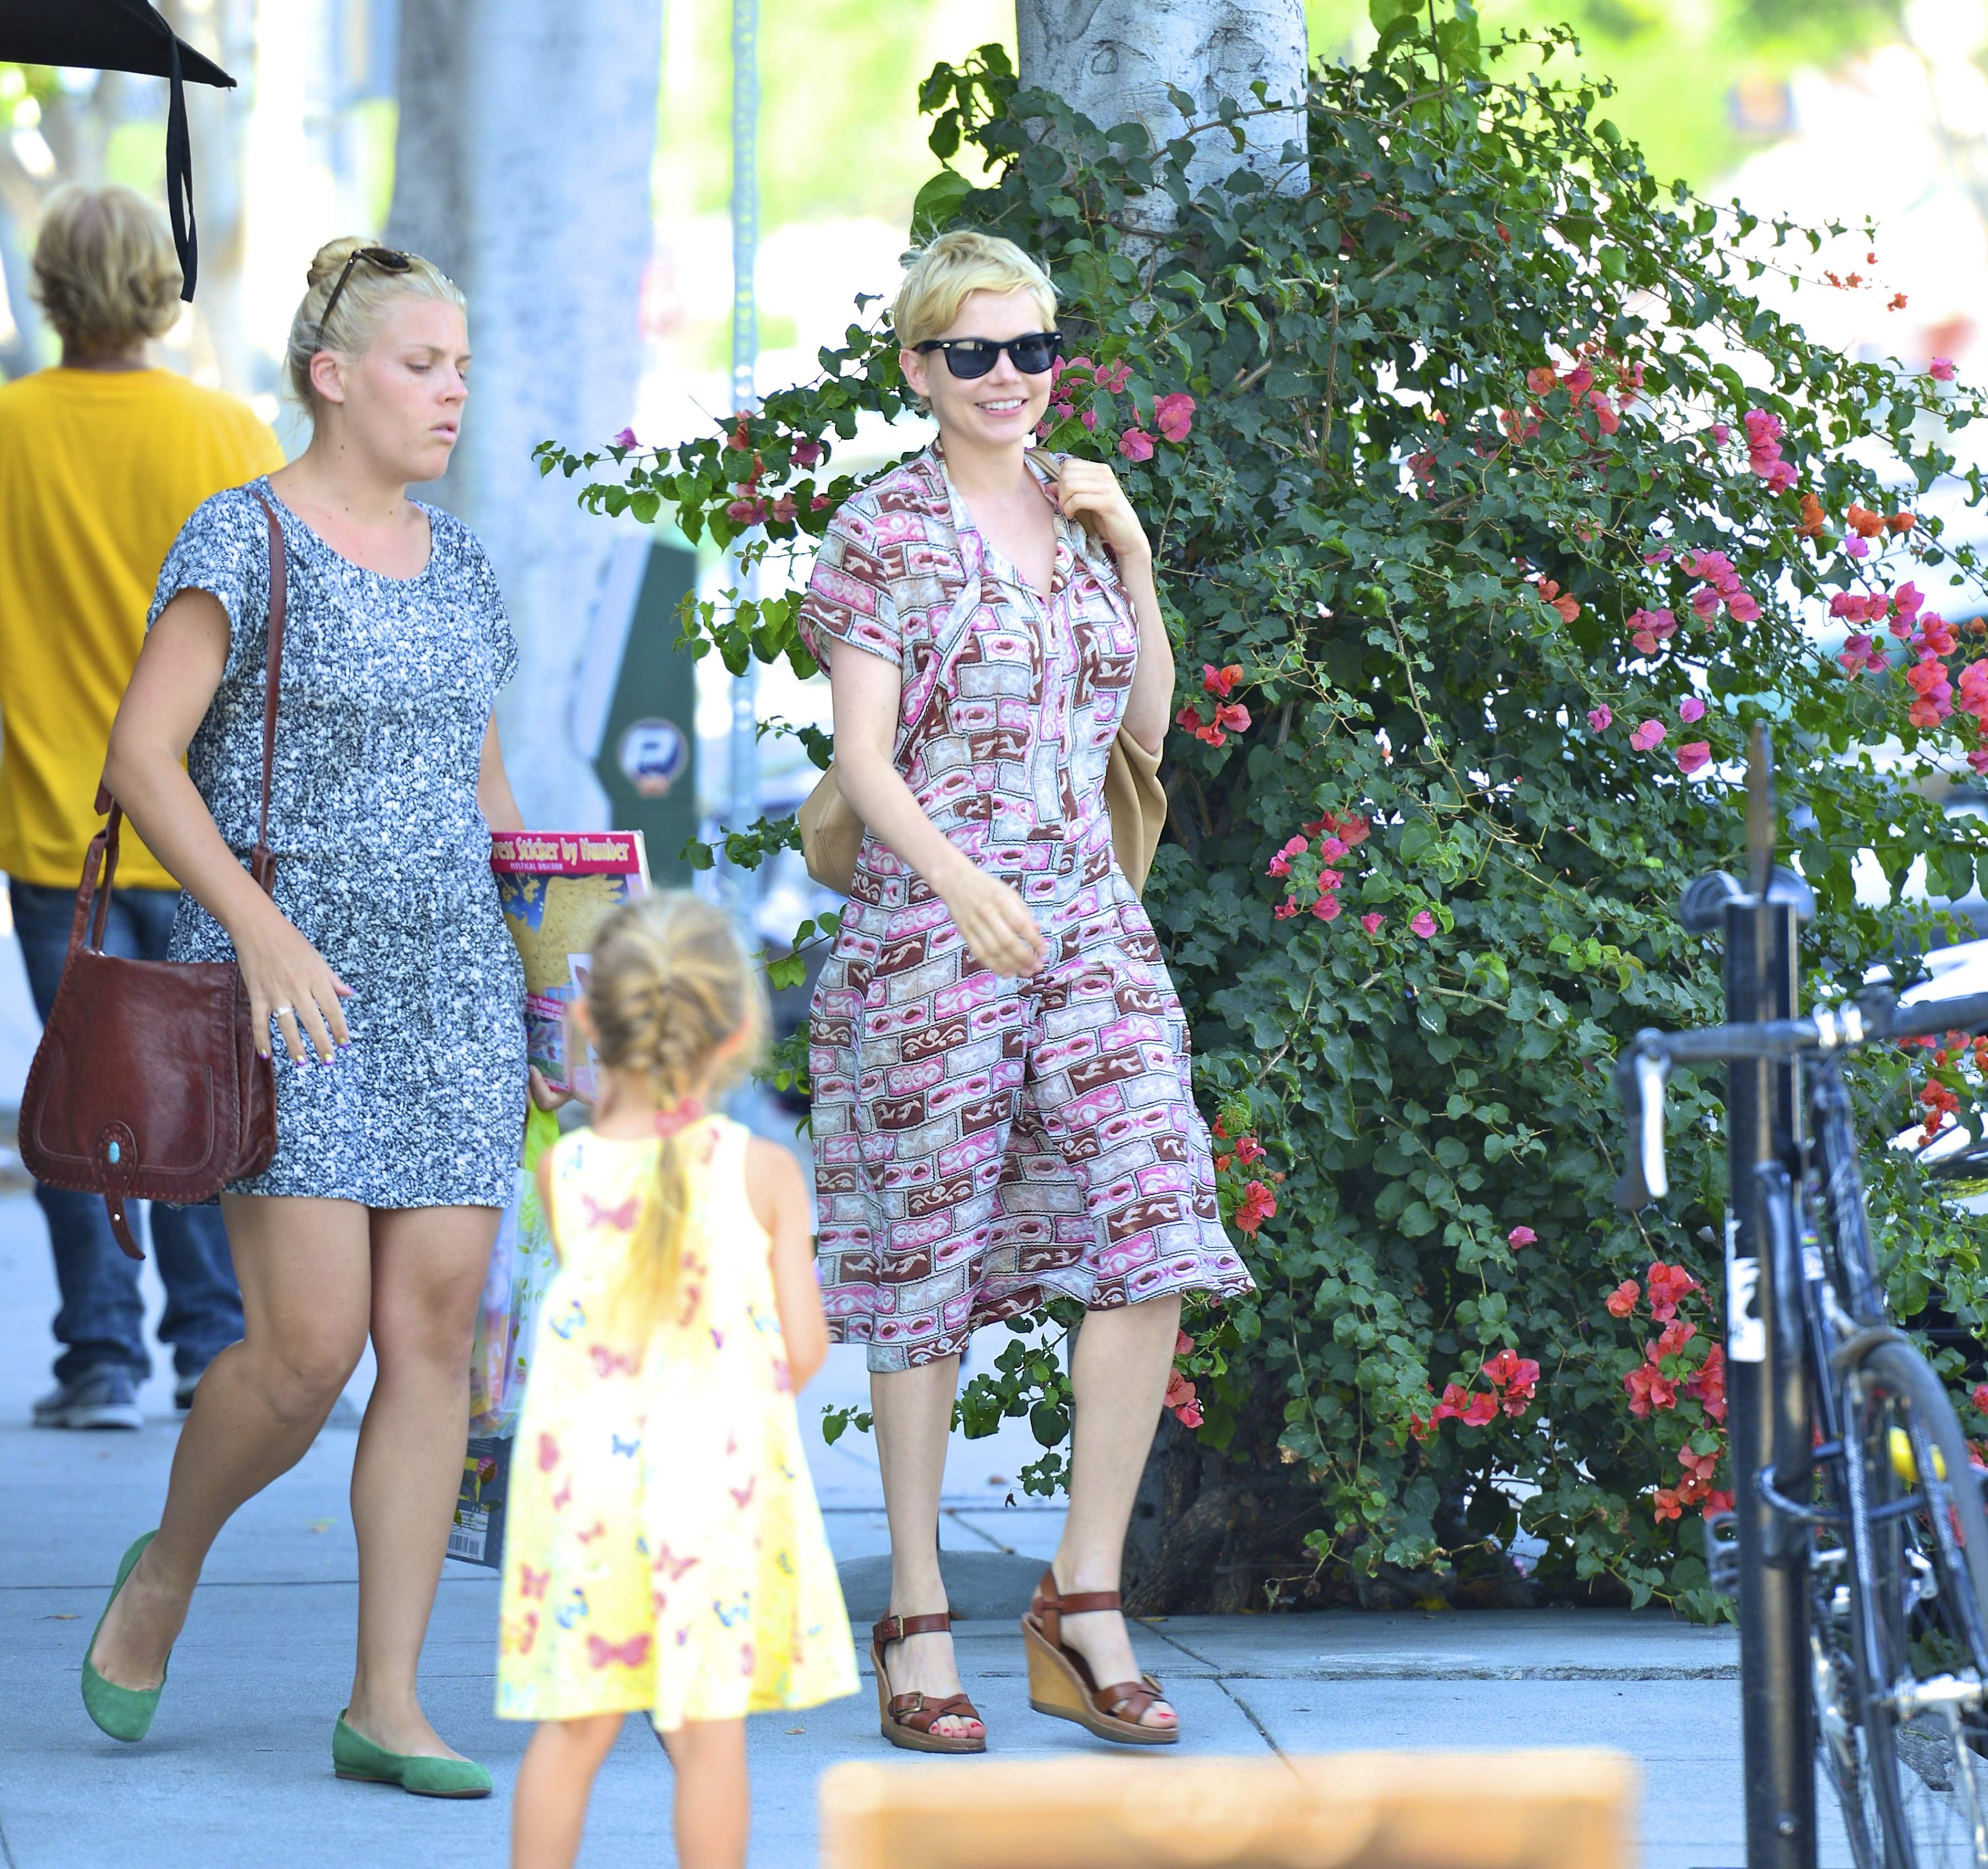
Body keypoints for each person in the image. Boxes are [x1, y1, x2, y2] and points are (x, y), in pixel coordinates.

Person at [76, 236, 529, 1797]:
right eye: (422, 364)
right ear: (333, 377)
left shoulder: (463, 563)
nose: (452, 391)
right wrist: (263, 936)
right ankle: (167, 1566)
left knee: (431, 1339)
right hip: (290, 985)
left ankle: (386, 1703)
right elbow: (142, 760)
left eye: (461, 366)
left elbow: (484, 788)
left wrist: (552, 979)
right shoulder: (241, 535)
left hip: (452, 987)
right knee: (307, 1349)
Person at [799, 230, 1256, 1751]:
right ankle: (917, 1612)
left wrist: (1134, 559)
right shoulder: (882, 530)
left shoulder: (1078, 508)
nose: (1008, 378)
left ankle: (1083, 1595)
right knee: (923, 1261)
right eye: (973, 353)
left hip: (1087, 923)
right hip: (930, 928)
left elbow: (1145, 730)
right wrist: (955, 884)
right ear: (919, 368)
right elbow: (862, 759)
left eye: (1032, 350)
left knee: (1154, 1217)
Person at [0, 184, 280, 1430]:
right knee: (210, 1085)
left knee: (83, 1088)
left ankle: (99, 1360)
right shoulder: (228, 433)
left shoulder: (7, 432)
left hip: (54, 826)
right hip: (207, 829)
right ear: (163, 290)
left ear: (49, 288)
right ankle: (213, 1346)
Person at [497, 892, 852, 1869]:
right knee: (707, 1737)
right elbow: (805, 1348)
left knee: (574, 1730)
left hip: (587, 1498)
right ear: (736, 1032)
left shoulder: (567, 1173)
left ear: (587, 1021)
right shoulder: (764, 1173)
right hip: (715, 1491)